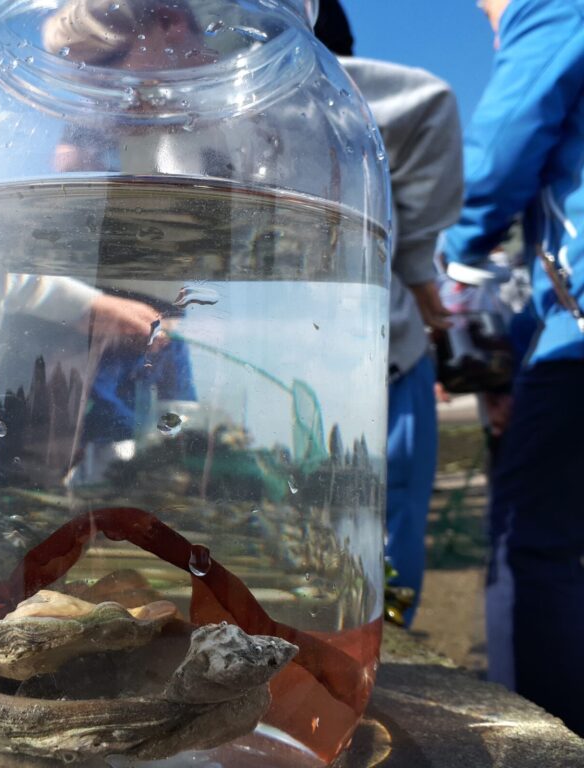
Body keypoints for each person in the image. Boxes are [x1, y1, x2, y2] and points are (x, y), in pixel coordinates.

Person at [441, 0, 584, 736]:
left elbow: (502, 151)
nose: (493, 26)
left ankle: (543, 734)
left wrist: (453, 262)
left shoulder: (554, 5)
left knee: (529, 541)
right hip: (558, 329)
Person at [316, 0, 464, 626]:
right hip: (378, 359)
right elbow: (432, 104)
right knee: (374, 538)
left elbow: (428, 102)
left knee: (369, 537)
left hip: (379, 362)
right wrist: (418, 268)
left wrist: (415, 263)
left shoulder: (313, 79)